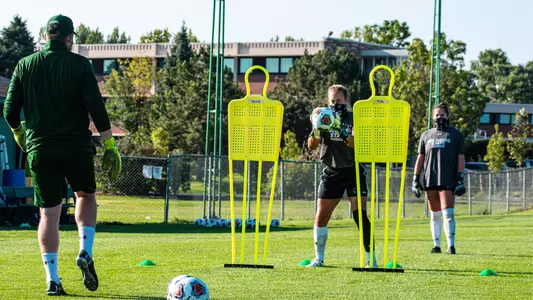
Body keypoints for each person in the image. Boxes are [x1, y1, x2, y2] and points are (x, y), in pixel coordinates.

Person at [3, 14, 122, 296]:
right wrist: (109, 144)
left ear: (46, 36)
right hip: (76, 147)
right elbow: (96, 106)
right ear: (69, 38)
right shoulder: (80, 65)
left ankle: (53, 280)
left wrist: (20, 134)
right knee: (85, 196)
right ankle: (84, 250)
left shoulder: (24, 65)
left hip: (41, 148)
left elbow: (9, 110)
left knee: (48, 215)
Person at [306, 84, 377, 268]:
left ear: (346, 100)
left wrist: (339, 128)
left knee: (359, 215)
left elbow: (356, 143)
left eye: (339, 101)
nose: (335, 104)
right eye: (332, 101)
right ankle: (319, 259)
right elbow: (311, 146)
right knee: (321, 216)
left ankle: (371, 259)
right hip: (332, 170)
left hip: (353, 169)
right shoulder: (323, 116)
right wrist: (316, 127)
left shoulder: (355, 118)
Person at [412, 103, 465, 255]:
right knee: (435, 214)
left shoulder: (455, 134)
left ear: (447, 116)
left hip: (448, 178)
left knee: (448, 213)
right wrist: (416, 178)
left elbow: (460, 157)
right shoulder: (426, 135)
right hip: (430, 178)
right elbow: (420, 158)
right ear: (432, 117)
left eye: (442, 115)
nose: (439, 117)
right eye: (436, 115)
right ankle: (436, 245)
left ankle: (451, 245)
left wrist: (460, 178)